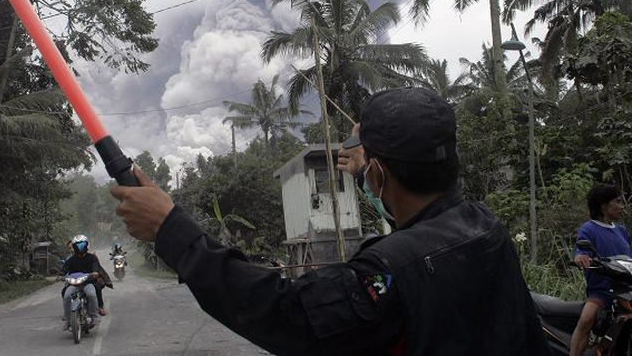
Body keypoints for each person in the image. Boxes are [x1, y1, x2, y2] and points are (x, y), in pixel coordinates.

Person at [110, 87, 550, 355]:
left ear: (377, 173)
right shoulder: (484, 226)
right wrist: (370, 166)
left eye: (366, 161)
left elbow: (280, 310)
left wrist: (172, 230)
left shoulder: (385, 274)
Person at [570, 184, 631, 356]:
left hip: (626, 291)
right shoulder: (589, 229)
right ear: (604, 205)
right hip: (602, 291)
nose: (622, 206)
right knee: (586, 320)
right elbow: (581, 250)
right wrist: (580, 258)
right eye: (617, 202)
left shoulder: (621, 231)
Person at [61, 234, 103, 328]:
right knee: (67, 296)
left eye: (82, 244)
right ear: (74, 247)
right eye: (78, 245)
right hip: (73, 284)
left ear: (86, 245)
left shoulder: (92, 258)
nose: (80, 247)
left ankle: (94, 316)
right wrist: (61, 275)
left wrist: (95, 273)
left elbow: (96, 268)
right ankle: (68, 320)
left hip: (88, 283)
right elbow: (64, 270)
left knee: (91, 294)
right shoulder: (70, 260)